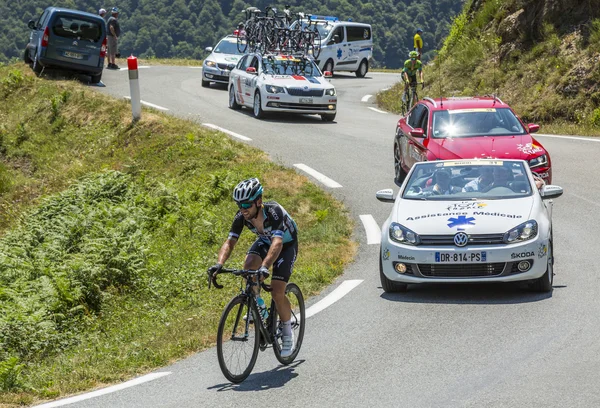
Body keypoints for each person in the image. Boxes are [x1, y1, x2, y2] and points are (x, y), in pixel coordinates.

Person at [208, 178, 299, 358]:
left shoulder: (274, 212)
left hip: (286, 245)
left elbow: (278, 242)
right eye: (239, 204)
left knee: (276, 290)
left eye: (247, 204)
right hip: (266, 242)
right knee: (248, 268)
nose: (243, 208)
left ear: (259, 201)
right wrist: (219, 264)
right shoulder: (242, 216)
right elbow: (230, 242)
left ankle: (287, 332)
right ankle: (259, 307)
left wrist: (265, 267)